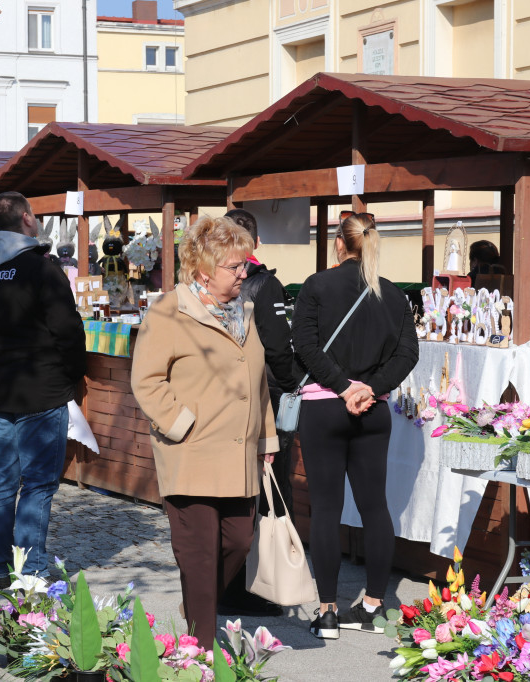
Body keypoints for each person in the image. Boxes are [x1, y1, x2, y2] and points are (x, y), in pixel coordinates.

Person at [131, 216, 279, 648]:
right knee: (198, 555)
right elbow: (147, 381)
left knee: (238, 541)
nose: (244, 272)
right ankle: (200, 654)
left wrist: (267, 440)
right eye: (234, 266)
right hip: (191, 453)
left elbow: (259, 383)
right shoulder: (169, 312)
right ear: (203, 271)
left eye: (244, 264)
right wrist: (182, 425)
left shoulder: (244, 313)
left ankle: (197, 603)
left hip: (240, 455)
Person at [291, 212, 418, 639]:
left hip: (325, 407)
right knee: (375, 506)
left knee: (325, 508)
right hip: (373, 410)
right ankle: (375, 606)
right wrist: (369, 389)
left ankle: (327, 612)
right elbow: (407, 356)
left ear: (339, 245)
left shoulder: (316, 286)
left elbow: (305, 346)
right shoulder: (396, 297)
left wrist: (344, 387)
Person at [0, 192, 87, 584]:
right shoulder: (42, 270)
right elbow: (69, 331)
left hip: (0, 390)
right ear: (27, 220)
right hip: (42, 391)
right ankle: (29, 571)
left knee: (1, 480)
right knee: (37, 484)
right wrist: (72, 376)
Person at [218, 208, 298, 618]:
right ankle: (251, 585)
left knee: (229, 496)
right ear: (254, 243)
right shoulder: (265, 284)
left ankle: (225, 582)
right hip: (263, 398)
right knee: (266, 494)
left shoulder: (207, 279)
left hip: (222, 402)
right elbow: (279, 349)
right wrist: (292, 386)